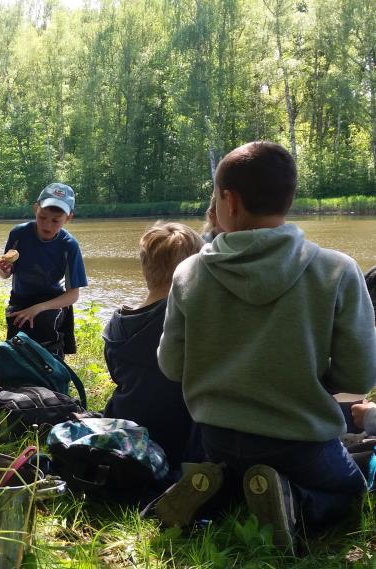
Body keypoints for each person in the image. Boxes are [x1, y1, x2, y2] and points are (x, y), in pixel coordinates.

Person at [153, 141, 376, 552]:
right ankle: (294, 502)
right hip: (300, 443)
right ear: (289, 197)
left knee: (243, 476)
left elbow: (170, 365)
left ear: (230, 201)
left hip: (217, 437)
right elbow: (358, 377)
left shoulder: (188, 273)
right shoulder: (337, 270)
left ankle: (219, 492)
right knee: (352, 491)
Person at [102, 222, 204, 471]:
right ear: (192, 271)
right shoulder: (185, 321)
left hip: (128, 426)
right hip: (175, 436)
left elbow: (116, 374)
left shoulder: (117, 322)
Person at [0, 183, 88, 357]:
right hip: (20, 299)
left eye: (56, 221)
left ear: (68, 218)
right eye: (42, 217)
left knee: (44, 326)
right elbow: (6, 274)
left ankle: (51, 375)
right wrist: (4, 269)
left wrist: (38, 308)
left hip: (52, 302)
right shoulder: (18, 234)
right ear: (35, 209)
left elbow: (73, 295)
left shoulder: (69, 246)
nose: (47, 225)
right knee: (16, 346)